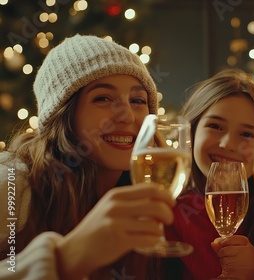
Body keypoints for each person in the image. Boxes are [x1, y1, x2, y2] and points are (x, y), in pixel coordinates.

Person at [0, 34, 176, 279]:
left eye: (137, 100)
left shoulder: (150, 197)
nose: (127, 115)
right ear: (63, 115)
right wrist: (66, 258)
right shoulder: (12, 183)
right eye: (102, 98)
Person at [162, 68, 254, 280]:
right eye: (215, 126)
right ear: (191, 132)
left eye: (247, 134)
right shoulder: (168, 216)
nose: (228, 144)